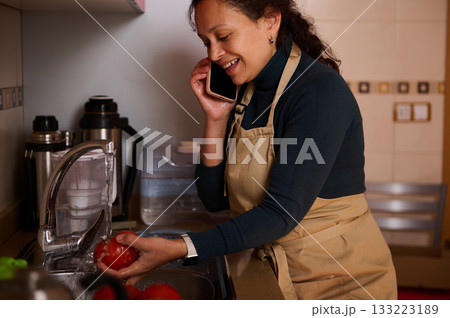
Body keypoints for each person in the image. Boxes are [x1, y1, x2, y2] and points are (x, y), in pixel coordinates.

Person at [99, 0, 397, 300]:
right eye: (206, 42)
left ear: (270, 21)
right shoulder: (245, 93)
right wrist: (216, 119)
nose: (213, 54)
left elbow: (279, 214)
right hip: (274, 273)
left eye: (224, 36)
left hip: (339, 284)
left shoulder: (319, 92)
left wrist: (180, 248)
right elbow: (213, 200)